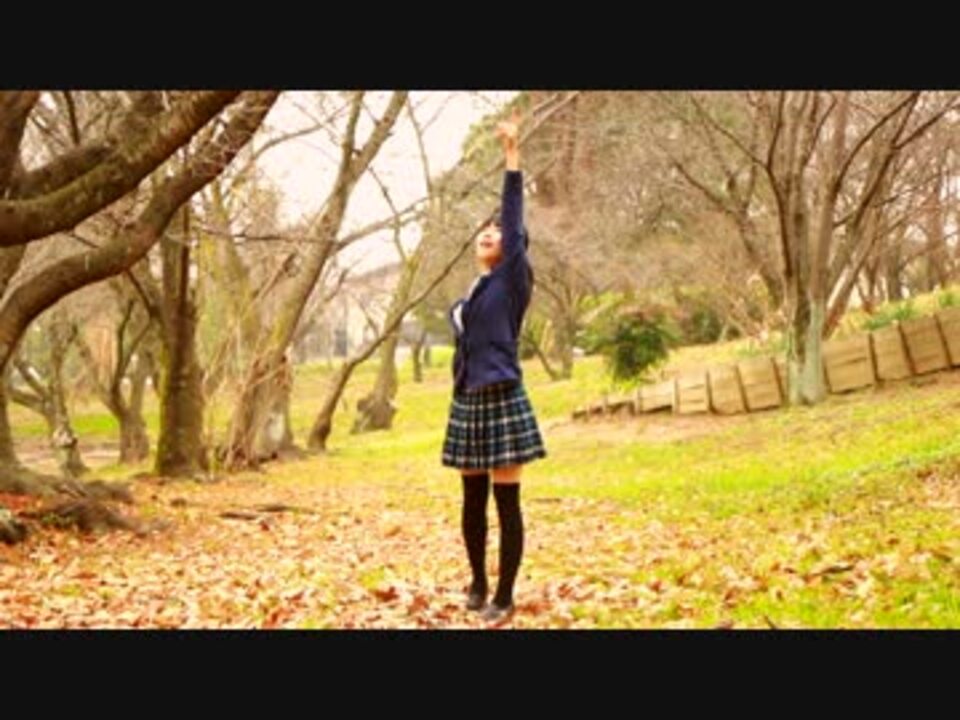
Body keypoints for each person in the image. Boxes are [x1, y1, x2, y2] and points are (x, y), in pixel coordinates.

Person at [441, 110, 547, 624]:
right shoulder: (474, 290)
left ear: (511, 246)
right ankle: (479, 583)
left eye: (497, 230)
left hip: (502, 397)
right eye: (483, 230)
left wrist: (511, 155)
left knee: (506, 505)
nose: (489, 232)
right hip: (468, 400)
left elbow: (513, 214)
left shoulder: (511, 280)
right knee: (471, 502)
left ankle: (505, 595)